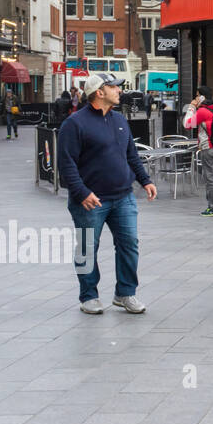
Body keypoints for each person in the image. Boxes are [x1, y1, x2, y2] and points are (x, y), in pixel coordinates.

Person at [57, 72, 157, 314]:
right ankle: (88, 296)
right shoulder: (75, 123)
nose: (119, 91)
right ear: (99, 92)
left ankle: (125, 293)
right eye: (114, 87)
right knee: (86, 248)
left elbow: (131, 154)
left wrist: (145, 180)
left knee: (129, 244)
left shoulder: (119, 119)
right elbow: (66, 163)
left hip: (123, 196)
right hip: (90, 200)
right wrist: (81, 193)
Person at [183, 85, 213, 217]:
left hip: (208, 148)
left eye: (196, 95)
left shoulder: (203, 111)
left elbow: (187, 124)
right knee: (211, 177)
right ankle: (211, 206)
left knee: (210, 178)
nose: (195, 98)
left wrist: (191, 107)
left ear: (201, 97)